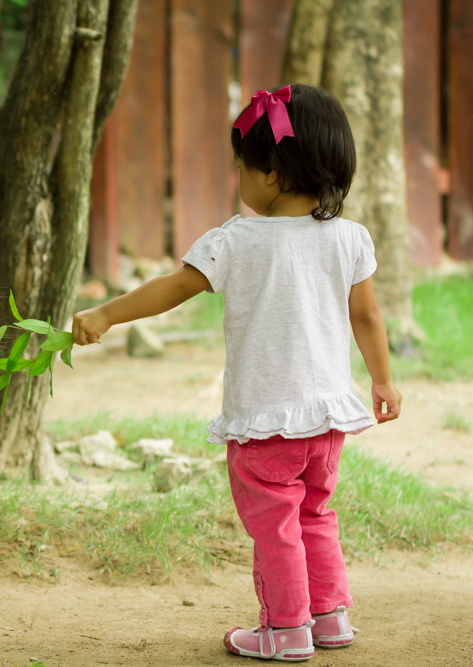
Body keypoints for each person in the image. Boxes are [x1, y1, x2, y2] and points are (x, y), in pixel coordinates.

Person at [73, 84, 402, 662]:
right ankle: (329, 618)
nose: (240, 181)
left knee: (275, 524)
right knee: (315, 514)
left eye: (242, 168)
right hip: (328, 421)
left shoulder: (237, 241)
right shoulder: (349, 238)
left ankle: (285, 629)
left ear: (270, 172)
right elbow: (367, 316)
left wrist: (105, 314)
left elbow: (172, 289)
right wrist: (382, 381)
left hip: (266, 423)